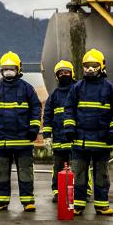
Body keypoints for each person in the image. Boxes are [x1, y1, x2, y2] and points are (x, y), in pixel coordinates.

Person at [62, 49, 113, 215]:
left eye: (93, 66)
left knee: (101, 175)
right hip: (80, 142)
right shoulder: (77, 88)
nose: (89, 69)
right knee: (79, 175)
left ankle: (102, 205)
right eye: (86, 66)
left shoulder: (110, 88)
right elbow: (69, 109)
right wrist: (69, 128)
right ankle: (79, 205)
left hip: (102, 141)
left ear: (101, 66)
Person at [0, 51, 42, 212]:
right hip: (2, 141)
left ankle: (28, 201)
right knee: (1, 173)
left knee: (26, 173)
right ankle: (1, 201)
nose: (8, 71)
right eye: (5, 68)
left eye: (12, 68)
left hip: (23, 141)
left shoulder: (27, 89)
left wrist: (34, 128)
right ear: (1, 70)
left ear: (19, 69)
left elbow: (36, 108)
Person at [41, 60, 75, 202]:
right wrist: (47, 136)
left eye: (66, 72)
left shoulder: (78, 90)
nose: (63, 75)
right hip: (59, 141)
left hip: (75, 139)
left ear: (72, 73)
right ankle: (58, 192)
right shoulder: (54, 95)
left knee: (78, 168)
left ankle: (82, 191)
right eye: (60, 73)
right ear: (56, 76)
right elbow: (47, 116)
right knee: (58, 168)